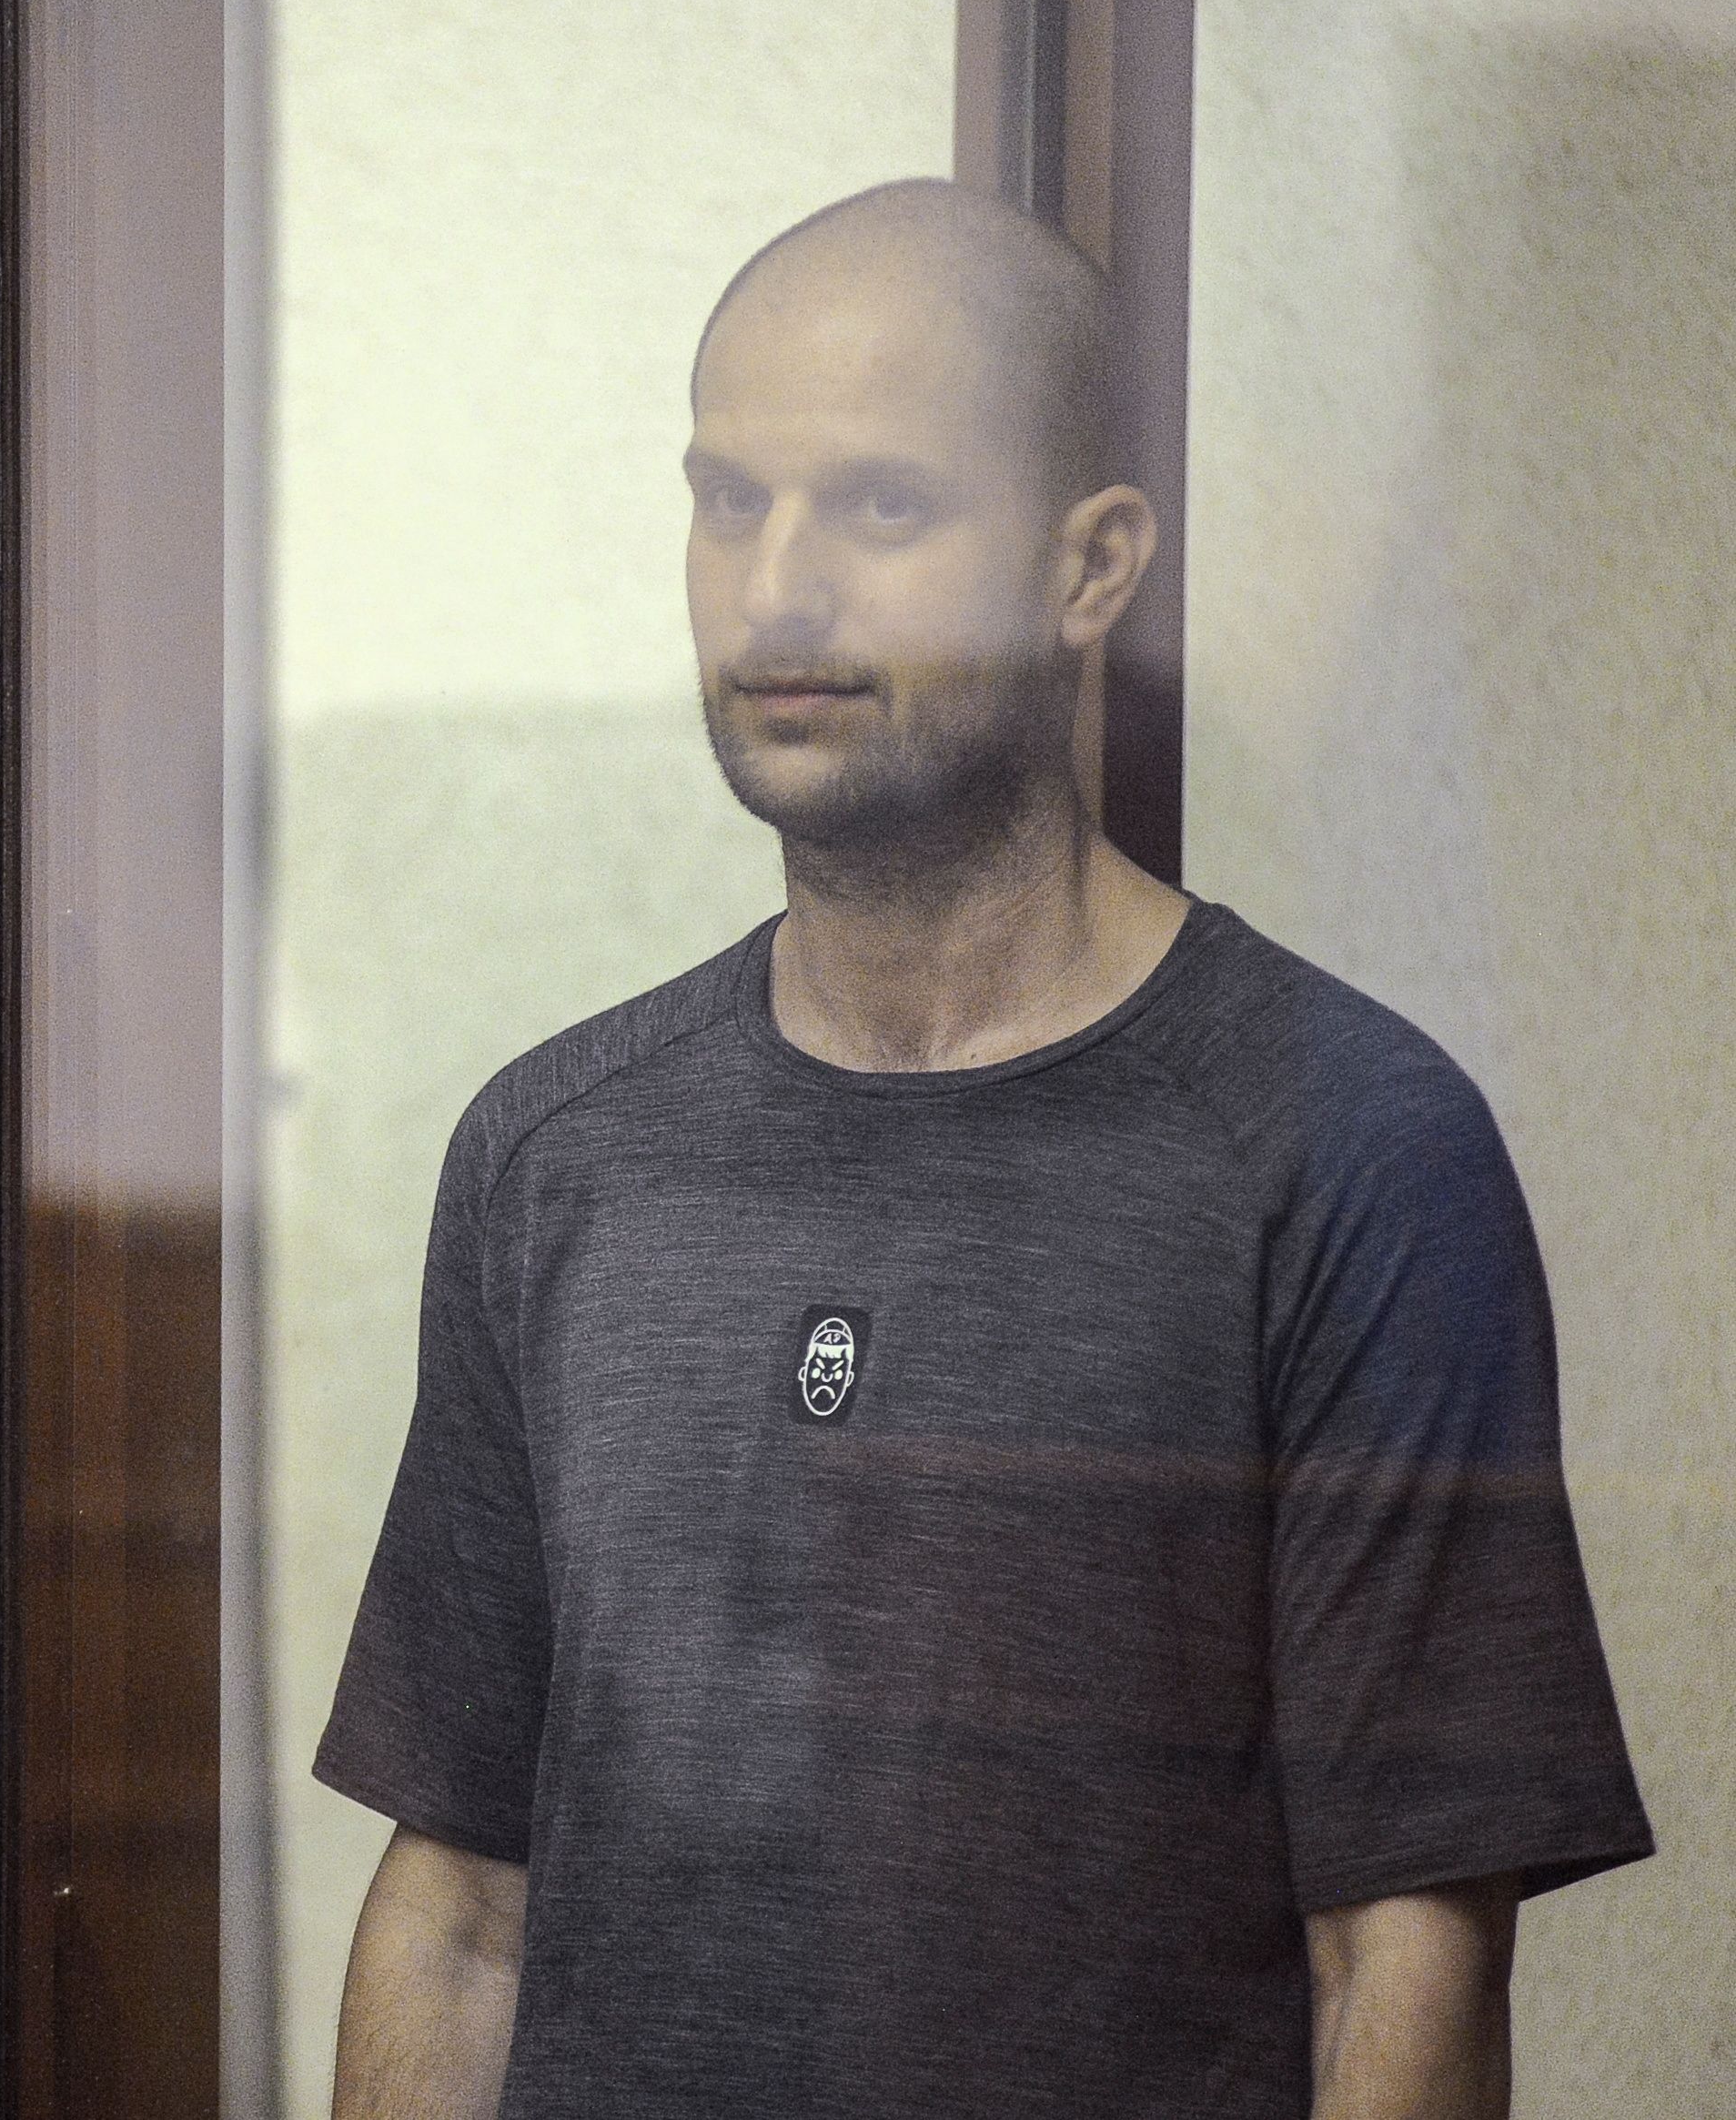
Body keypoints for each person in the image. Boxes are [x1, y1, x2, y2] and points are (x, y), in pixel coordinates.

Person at [314, 179, 1650, 2118]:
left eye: (877, 506)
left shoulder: (1347, 1147)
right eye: (726, 497)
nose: (776, 587)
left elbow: (1405, 1956)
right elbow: (459, 1905)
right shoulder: (556, 1151)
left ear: (1089, 566)